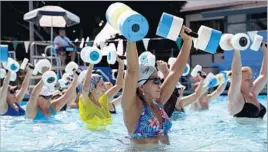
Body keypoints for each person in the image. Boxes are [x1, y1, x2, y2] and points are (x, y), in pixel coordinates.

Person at [121, 26, 192, 148]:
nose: (160, 84)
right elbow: (132, 71)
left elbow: (175, 71)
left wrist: (187, 41)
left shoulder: (158, 103)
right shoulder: (132, 107)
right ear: (141, 86)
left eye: (159, 80)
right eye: (155, 81)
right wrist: (131, 38)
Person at [79, 57, 124, 129]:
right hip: (91, 137)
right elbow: (85, 87)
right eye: (101, 85)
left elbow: (118, 85)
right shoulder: (86, 102)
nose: (105, 87)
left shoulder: (104, 100)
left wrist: (121, 64)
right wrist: (91, 63)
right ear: (92, 87)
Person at [228, 43, 267, 119]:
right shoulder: (236, 97)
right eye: (247, 79)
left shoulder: (252, 93)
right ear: (238, 82)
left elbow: (264, 75)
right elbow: (236, 74)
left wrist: (266, 52)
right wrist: (237, 50)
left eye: (251, 78)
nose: (251, 81)